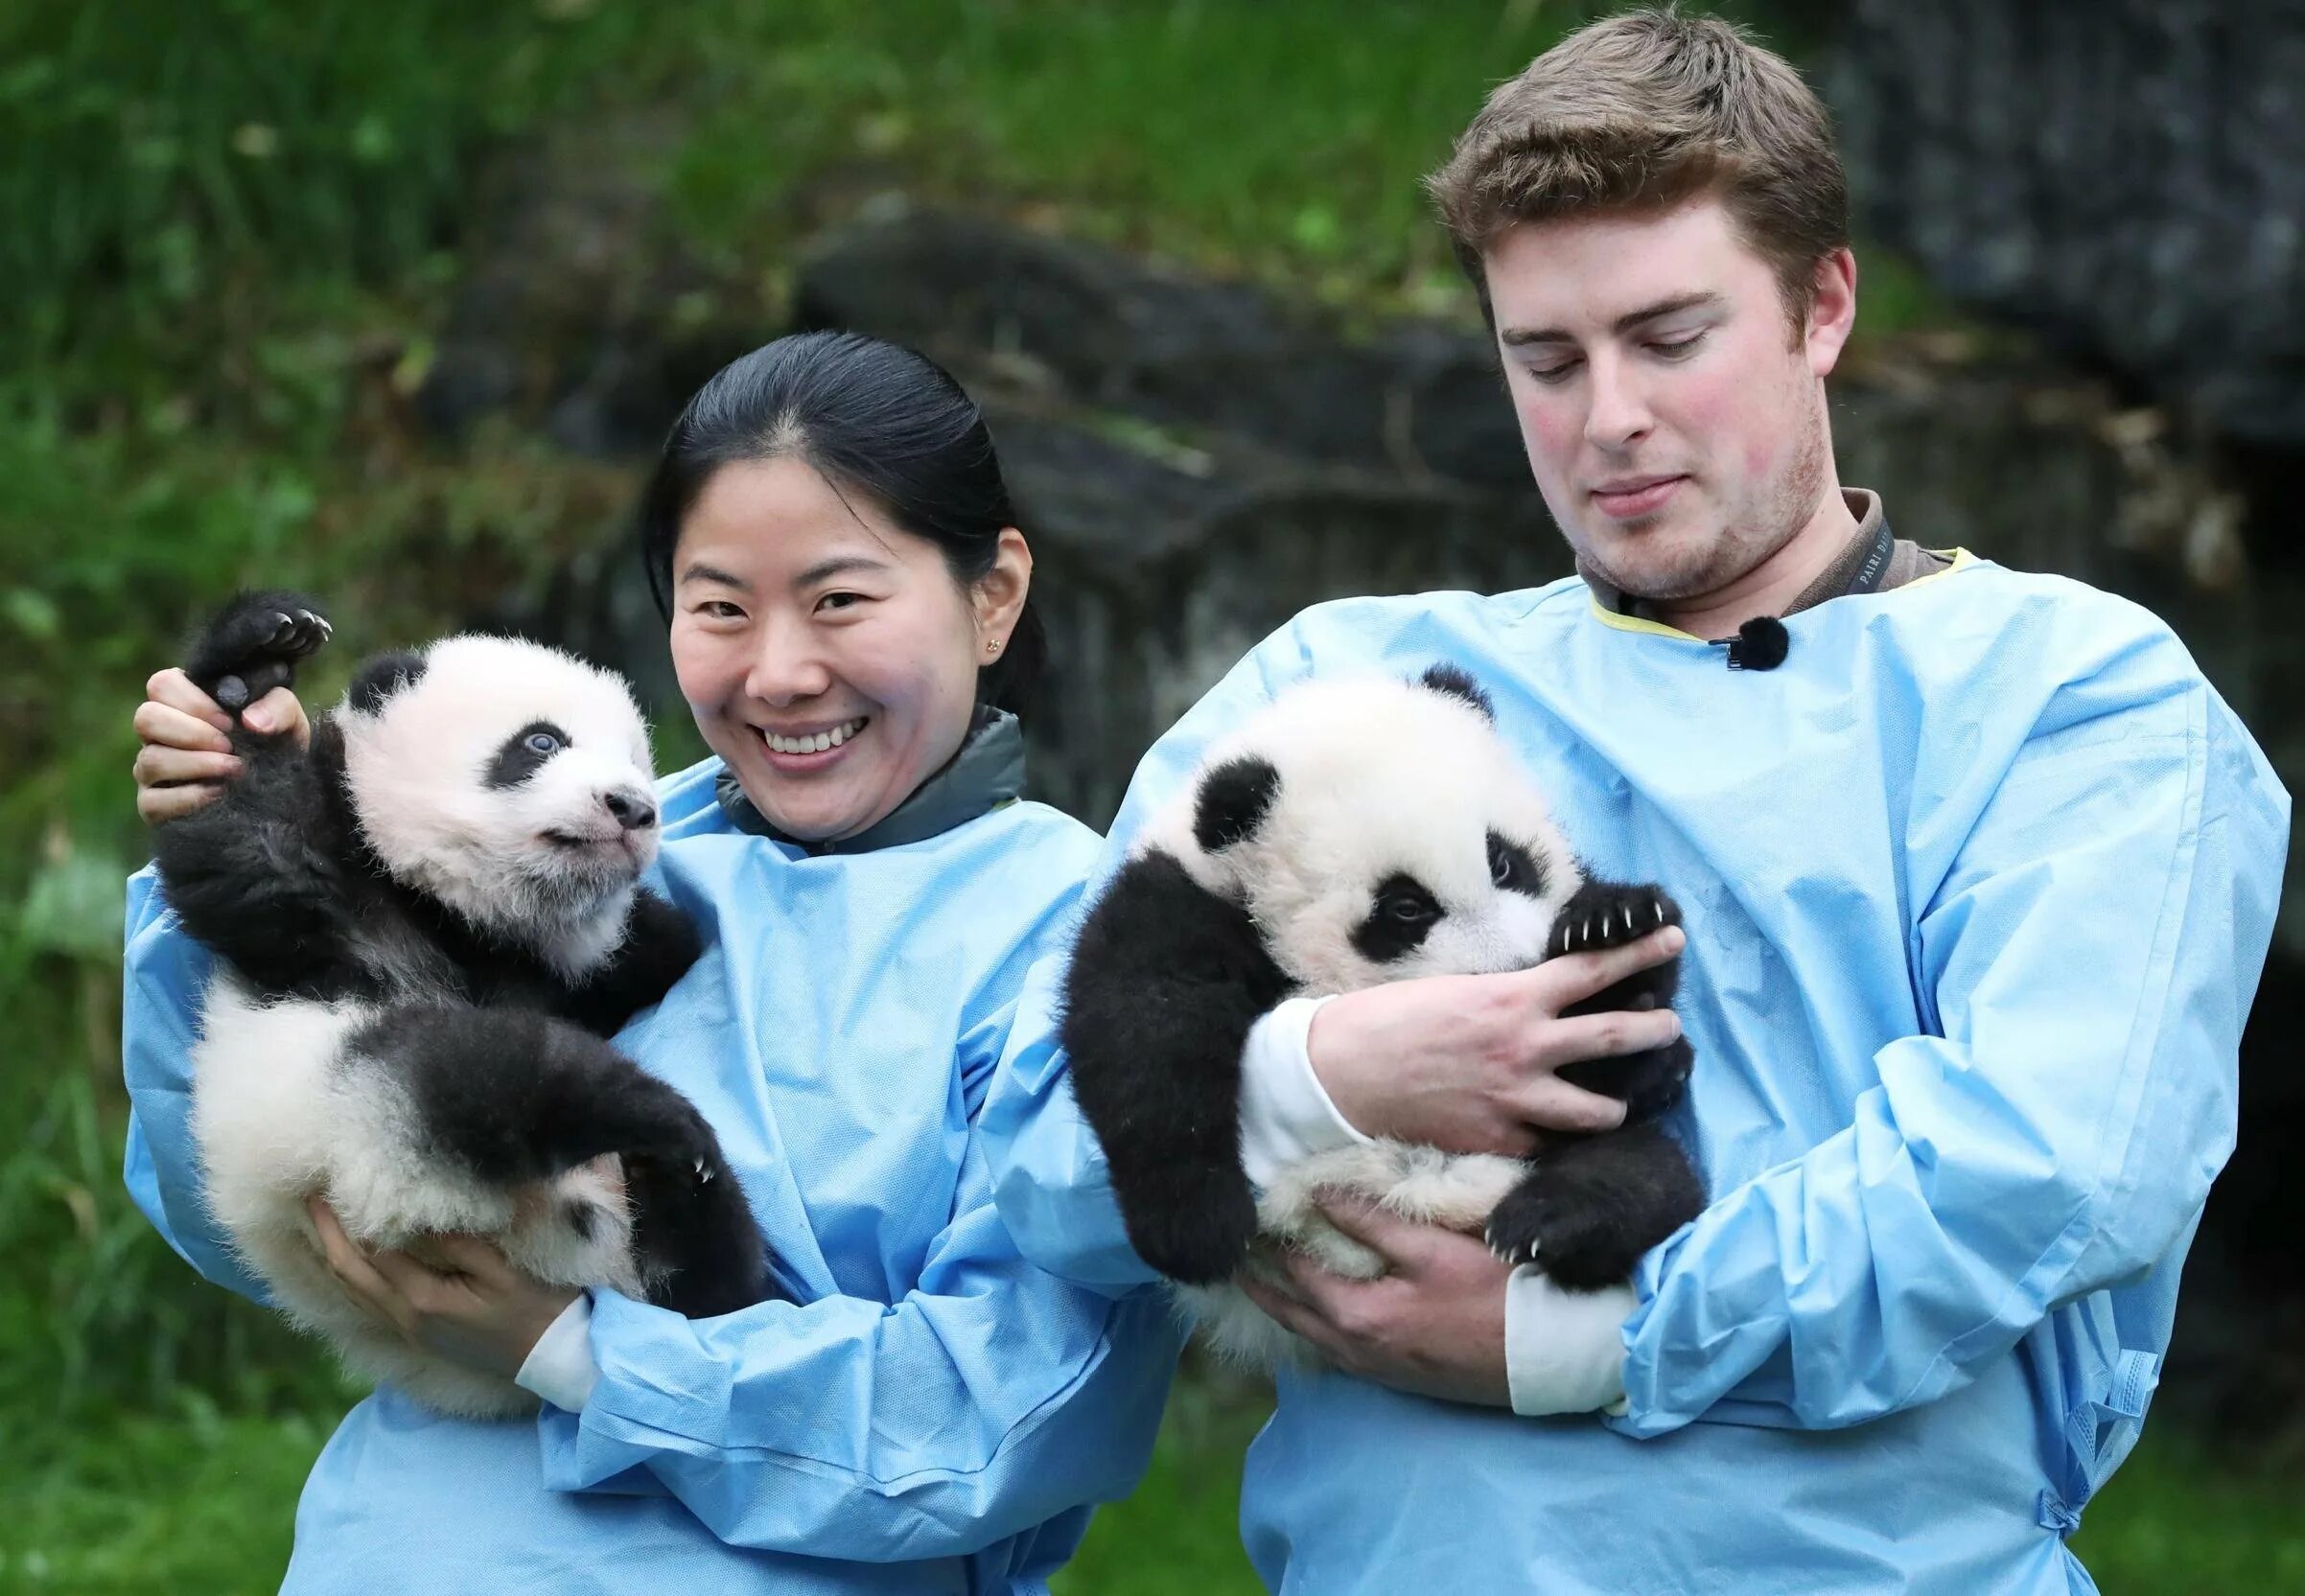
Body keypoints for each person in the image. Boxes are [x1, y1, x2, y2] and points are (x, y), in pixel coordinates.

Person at [979, 12, 2290, 1594]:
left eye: (1669, 340)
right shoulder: (1350, 683)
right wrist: (1324, 1076)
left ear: (1824, 305)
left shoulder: (2074, 700)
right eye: (1546, 358)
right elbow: (1031, 1170)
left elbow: (2041, 1173)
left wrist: (1577, 1334)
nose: (1608, 420)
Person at [123, 330, 1178, 1593]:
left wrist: (571, 1350)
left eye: (841, 598)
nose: (781, 673)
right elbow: (229, 1192)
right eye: (720, 606)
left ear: (992, 592)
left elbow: (989, 1421)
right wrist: (226, 838)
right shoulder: (578, 832)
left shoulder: (1080, 934)